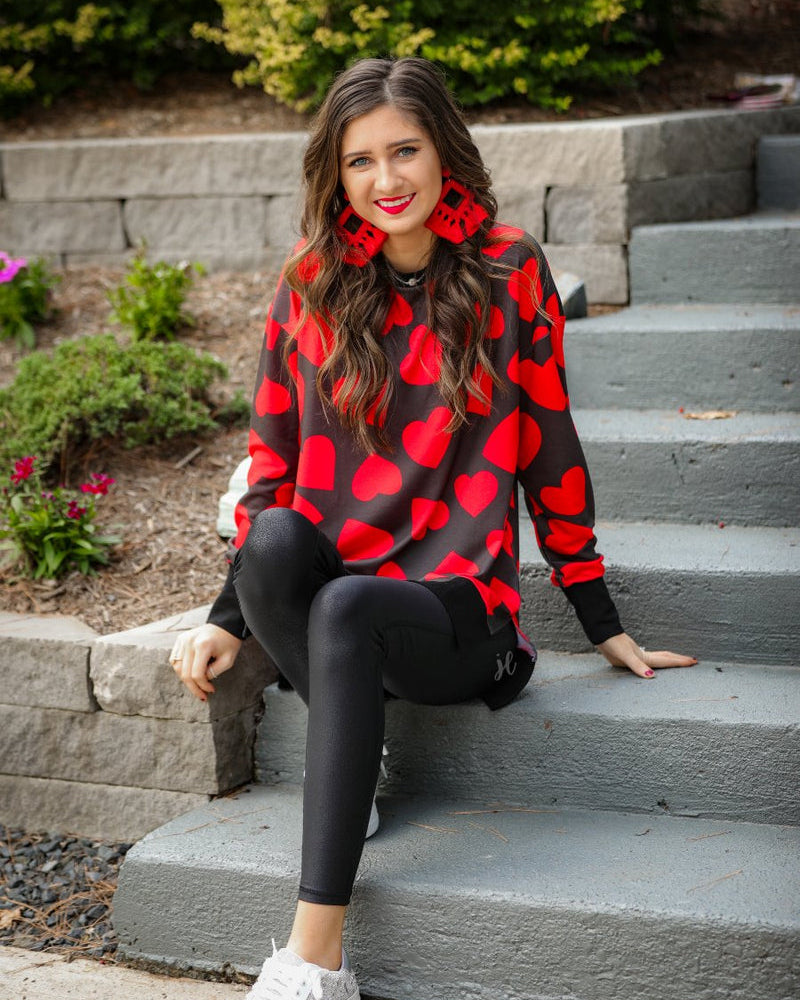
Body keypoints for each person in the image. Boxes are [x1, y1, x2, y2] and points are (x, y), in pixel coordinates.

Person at [169, 56, 696, 1000]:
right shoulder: (310, 282)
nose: (386, 181)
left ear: (443, 150)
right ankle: (352, 738)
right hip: (345, 594)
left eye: (404, 150)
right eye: (360, 161)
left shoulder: (509, 267)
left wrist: (596, 611)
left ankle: (312, 960)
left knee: (344, 611)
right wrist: (226, 615)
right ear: (336, 175)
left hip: (461, 619)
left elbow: (549, 444)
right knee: (279, 542)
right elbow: (273, 461)